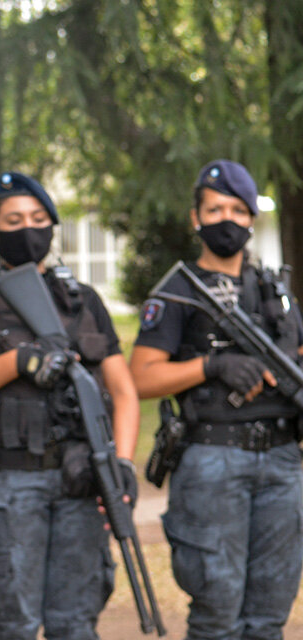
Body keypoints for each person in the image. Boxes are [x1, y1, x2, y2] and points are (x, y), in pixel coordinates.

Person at [0, 172, 139, 639]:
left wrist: (121, 463)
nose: (27, 228)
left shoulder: (85, 300)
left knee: (76, 624)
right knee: (13, 625)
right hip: (9, 482)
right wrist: (19, 361)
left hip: (81, 482)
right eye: (13, 219)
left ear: (52, 226)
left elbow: (123, 390)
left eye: (37, 218)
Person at [130, 159, 303, 639]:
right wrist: (211, 366)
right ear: (196, 218)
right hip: (213, 457)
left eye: (236, 209)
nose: (226, 219)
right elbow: (140, 378)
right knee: (217, 614)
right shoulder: (178, 292)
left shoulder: (274, 289)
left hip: (283, 459)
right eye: (214, 209)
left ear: (251, 218)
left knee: (270, 613)